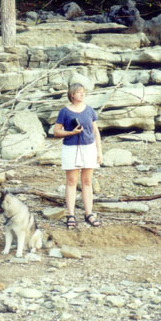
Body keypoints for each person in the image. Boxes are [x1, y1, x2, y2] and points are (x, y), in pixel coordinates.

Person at [54, 83, 103, 228]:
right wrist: (71, 133)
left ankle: (89, 213)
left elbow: (96, 132)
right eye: (79, 92)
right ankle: (71, 215)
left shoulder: (89, 110)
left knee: (87, 182)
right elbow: (56, 132)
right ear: (72, 95)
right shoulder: (64, 111)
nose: (82, 94)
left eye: (83, 92)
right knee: (71, 182)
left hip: (89, 148)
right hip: (71, 148)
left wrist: (99, 151)